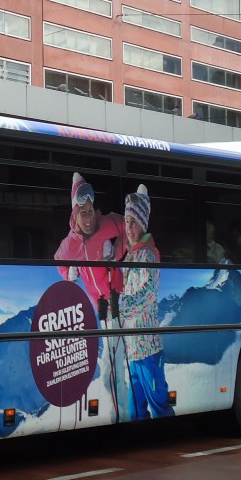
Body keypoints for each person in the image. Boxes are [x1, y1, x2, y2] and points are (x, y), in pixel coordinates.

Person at [54, 172, 129, 420]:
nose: (88, 219)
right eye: (82, 213)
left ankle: (121, 413)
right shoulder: (71, 243)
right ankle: (119, 408)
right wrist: (69, 273)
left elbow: (127, 226)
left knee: (114, 362)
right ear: (74, 214)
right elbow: (59, 263)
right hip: (101, 307)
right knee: (110, 363)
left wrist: (116, 251)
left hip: (118, 300)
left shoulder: (105, 224)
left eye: (90, 211)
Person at [120, 185, 174, 420]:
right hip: (134, 349)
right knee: (135, 410)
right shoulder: (132, 255)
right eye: (126, 221)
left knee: (159, 404)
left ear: (142, 223)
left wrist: (121, 305)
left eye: (133, 222)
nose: (128, 228)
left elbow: (148, 294)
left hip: (149, 350)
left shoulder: (148, 255)